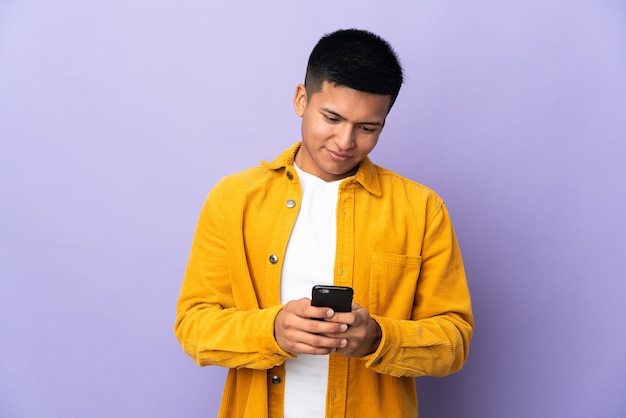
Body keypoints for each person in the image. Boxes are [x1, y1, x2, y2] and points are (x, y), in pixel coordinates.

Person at [174, 28, 473, 418]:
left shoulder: (421, 209)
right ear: (302, 99)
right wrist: (273, 330)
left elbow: (454, 340)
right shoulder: (233, 200)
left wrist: (379, 338)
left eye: (368, 128)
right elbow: (194, 326)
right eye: (331, 117)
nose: (345, 141)